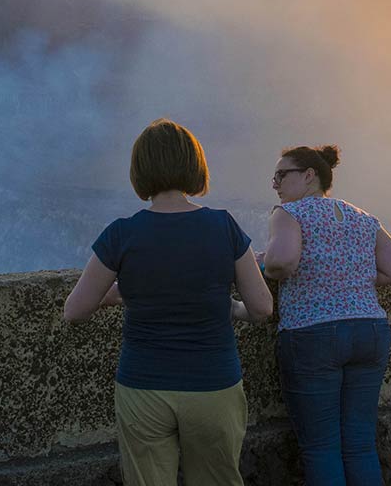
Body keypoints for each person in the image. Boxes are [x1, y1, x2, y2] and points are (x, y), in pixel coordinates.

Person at [63, 119, 273, 486]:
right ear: (194, 165)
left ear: (140, 170)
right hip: (213, 385)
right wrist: (232, 309)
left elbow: (75, 311)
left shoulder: (121, 233)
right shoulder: (223, 226)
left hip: (143, 386)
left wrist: (131, 291)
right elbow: (261, 308)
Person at [261, 143, 391, 486]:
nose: (275, 184)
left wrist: (264, 262)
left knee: (321, 448)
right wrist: (353, 282)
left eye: (282, 175)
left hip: (313, 334)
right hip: (369, 330)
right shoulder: (360, 216)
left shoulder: (290, 214)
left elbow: (281, 262)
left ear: (309, 175)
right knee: (359, 444)